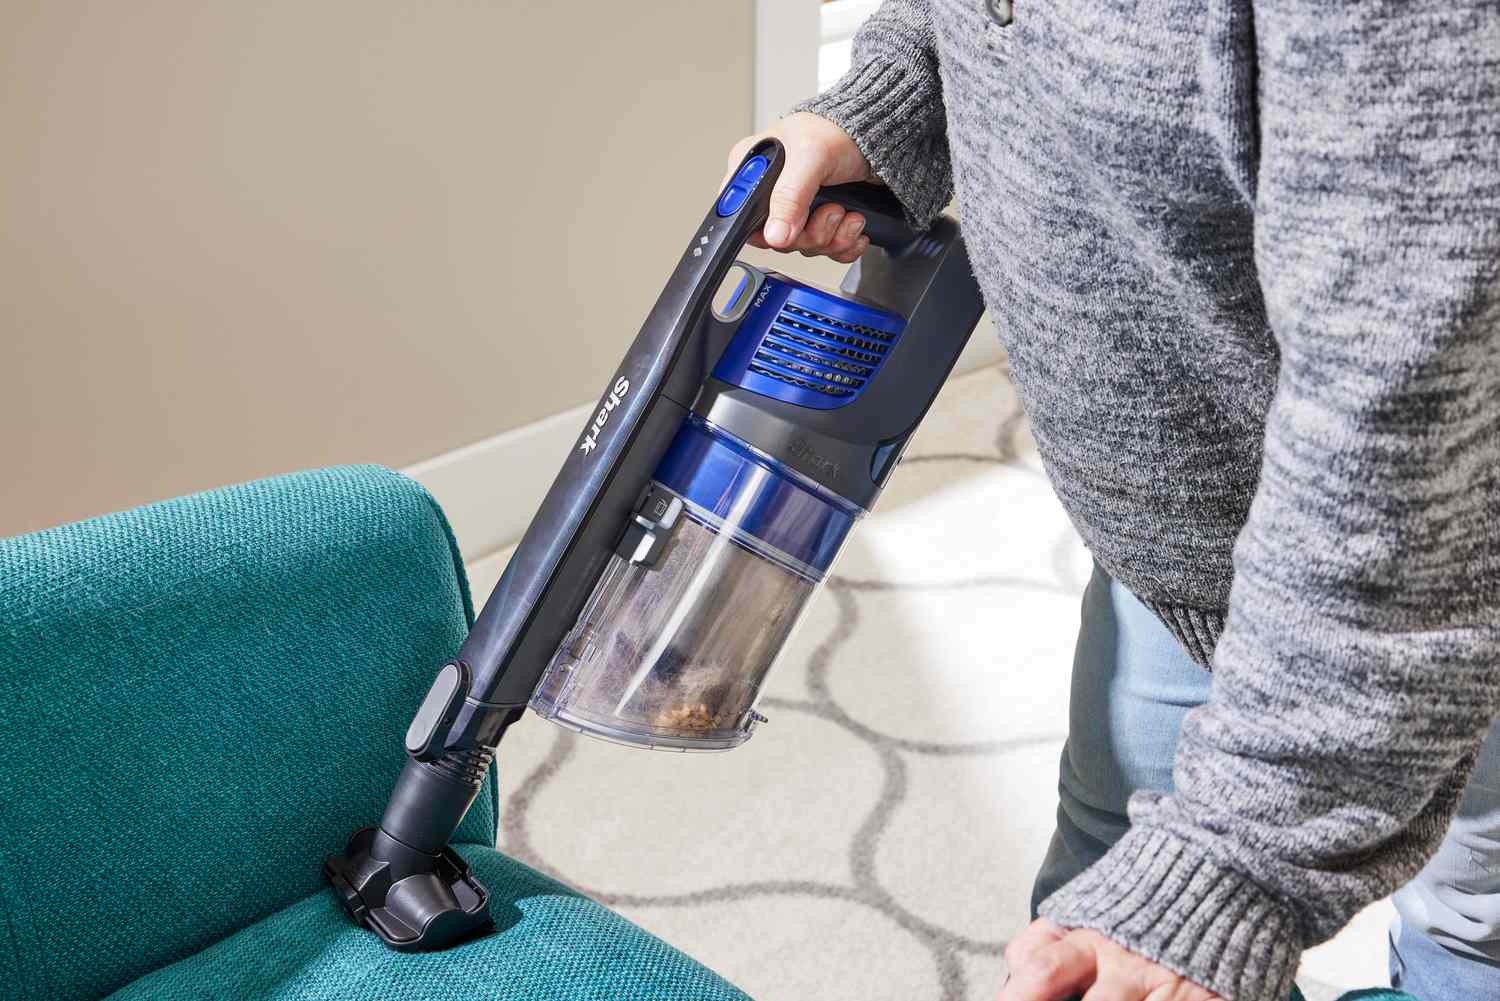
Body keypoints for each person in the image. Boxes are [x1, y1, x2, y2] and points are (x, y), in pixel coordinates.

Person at [725, 4, 1500, 1000]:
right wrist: (899, 101)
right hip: (1177, 542)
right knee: (1097, 882)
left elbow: (1405, 410)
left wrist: (1236, 860)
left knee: (1475, 925)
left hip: (1429, 584)